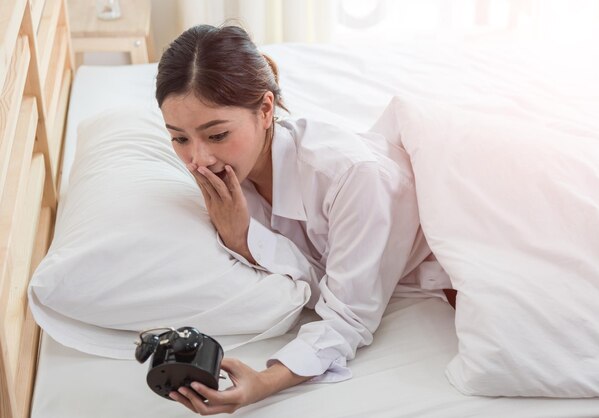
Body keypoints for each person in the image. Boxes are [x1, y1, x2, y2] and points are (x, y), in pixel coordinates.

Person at [156, 24, 454, 415]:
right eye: (179, 138)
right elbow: (317, 271)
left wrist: (264, 382)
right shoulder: (227, 174)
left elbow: (349, 315)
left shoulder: (350, 177)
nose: (198, 159)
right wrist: (242, 237)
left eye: (216, 135)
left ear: (265, 110)